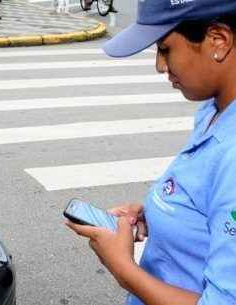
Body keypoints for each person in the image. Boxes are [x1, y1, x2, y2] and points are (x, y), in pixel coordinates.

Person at [65, 1, 236, 305]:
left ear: (218, 41)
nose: (160, 65)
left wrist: (123, 268)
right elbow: (205, 200)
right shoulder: (213, 110)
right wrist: (160, 212)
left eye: (165, 49)